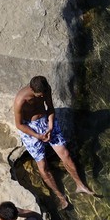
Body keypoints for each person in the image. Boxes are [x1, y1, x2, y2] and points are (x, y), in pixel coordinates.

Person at [13, 75, 94, 209]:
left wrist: (50, 125)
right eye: (39, 96)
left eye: (44, 94)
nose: (42, 97)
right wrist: (37, 136)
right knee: (43, 166)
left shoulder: (45, 89)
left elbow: (50, 108)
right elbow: (19, 125)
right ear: (32, 90)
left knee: (65, 154)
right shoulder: (20, 101)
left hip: (45, 121)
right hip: (30, 128)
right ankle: (61, 197)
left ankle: (80, 185)